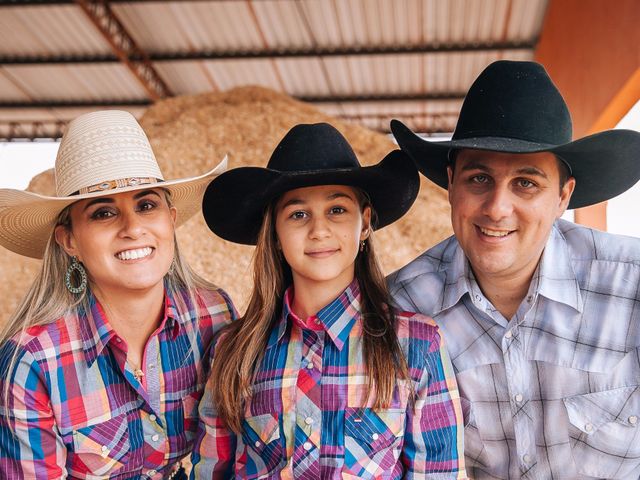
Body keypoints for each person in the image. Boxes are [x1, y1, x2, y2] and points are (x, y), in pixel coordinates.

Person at [388, 60, 640, 479]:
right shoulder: (401, 309)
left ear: (563, 196)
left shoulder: (632, 287)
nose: (497, 209)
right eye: (479, 179)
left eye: (526, 183)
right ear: (451, 185)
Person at [191, 123, 467, 479]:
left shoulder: (416, 344)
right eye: (298, 214)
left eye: (337, 210)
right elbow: (211, 470)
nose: (319, 230)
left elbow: (437, 473)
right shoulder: (234, 351)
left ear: (364, 223)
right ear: (274, 232)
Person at [0, 110, 237, 479]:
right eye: (103, 213)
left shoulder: (213, 314)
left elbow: (223, 457)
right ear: (70, 240)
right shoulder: (33, 360)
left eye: (146, 205)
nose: (133, 228)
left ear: (170, 219)